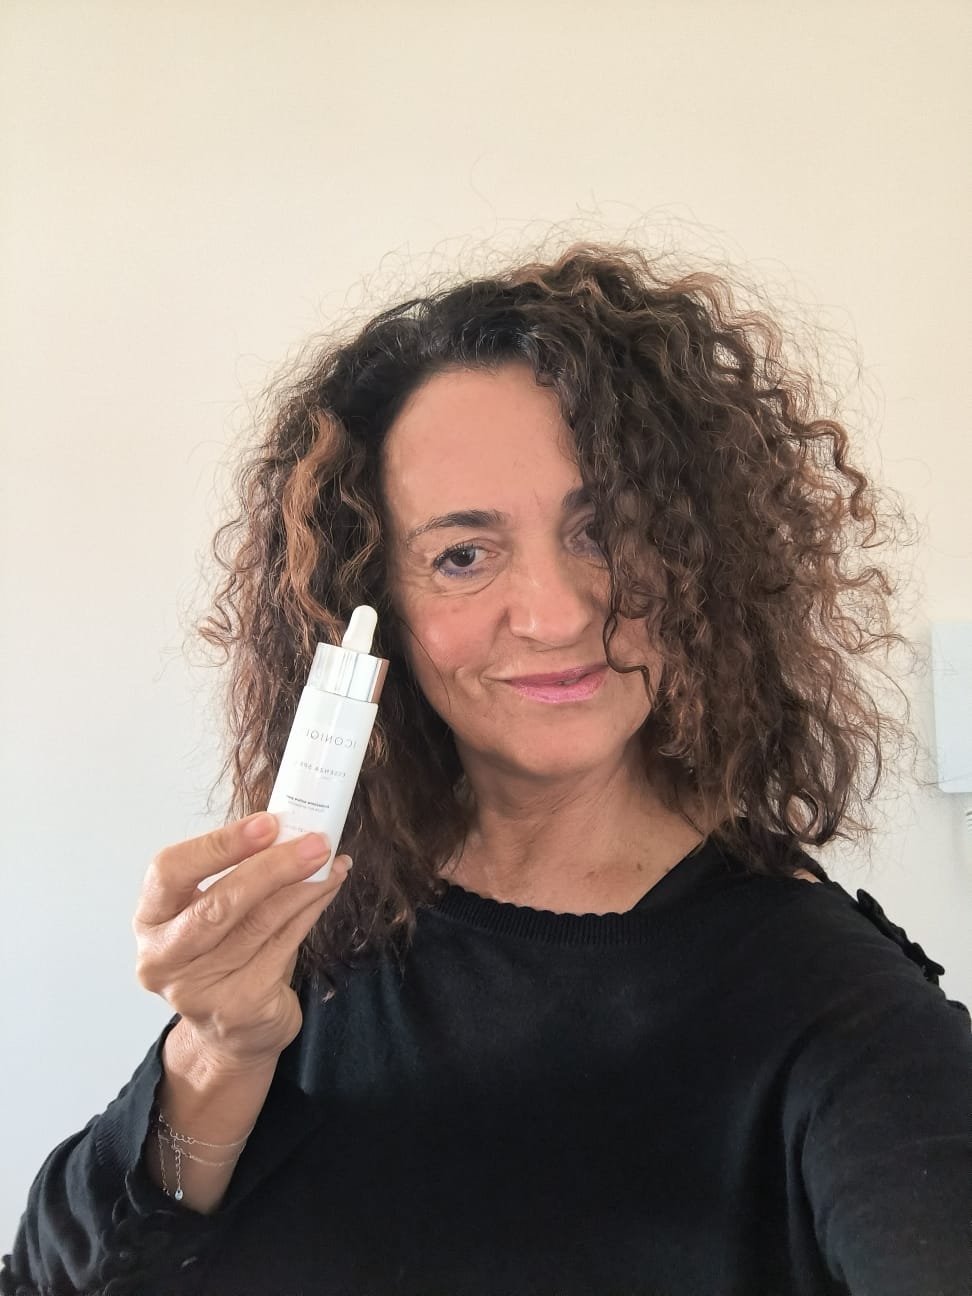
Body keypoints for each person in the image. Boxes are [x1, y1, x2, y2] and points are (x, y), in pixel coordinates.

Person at [4, 244, 970, 1296]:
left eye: (603, 532)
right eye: (463, 555)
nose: (553, 614)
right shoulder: (323, 913)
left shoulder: (834, 1008)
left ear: (698, 559)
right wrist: (217, 1050)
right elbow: (57, 1278)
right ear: (380, 606)